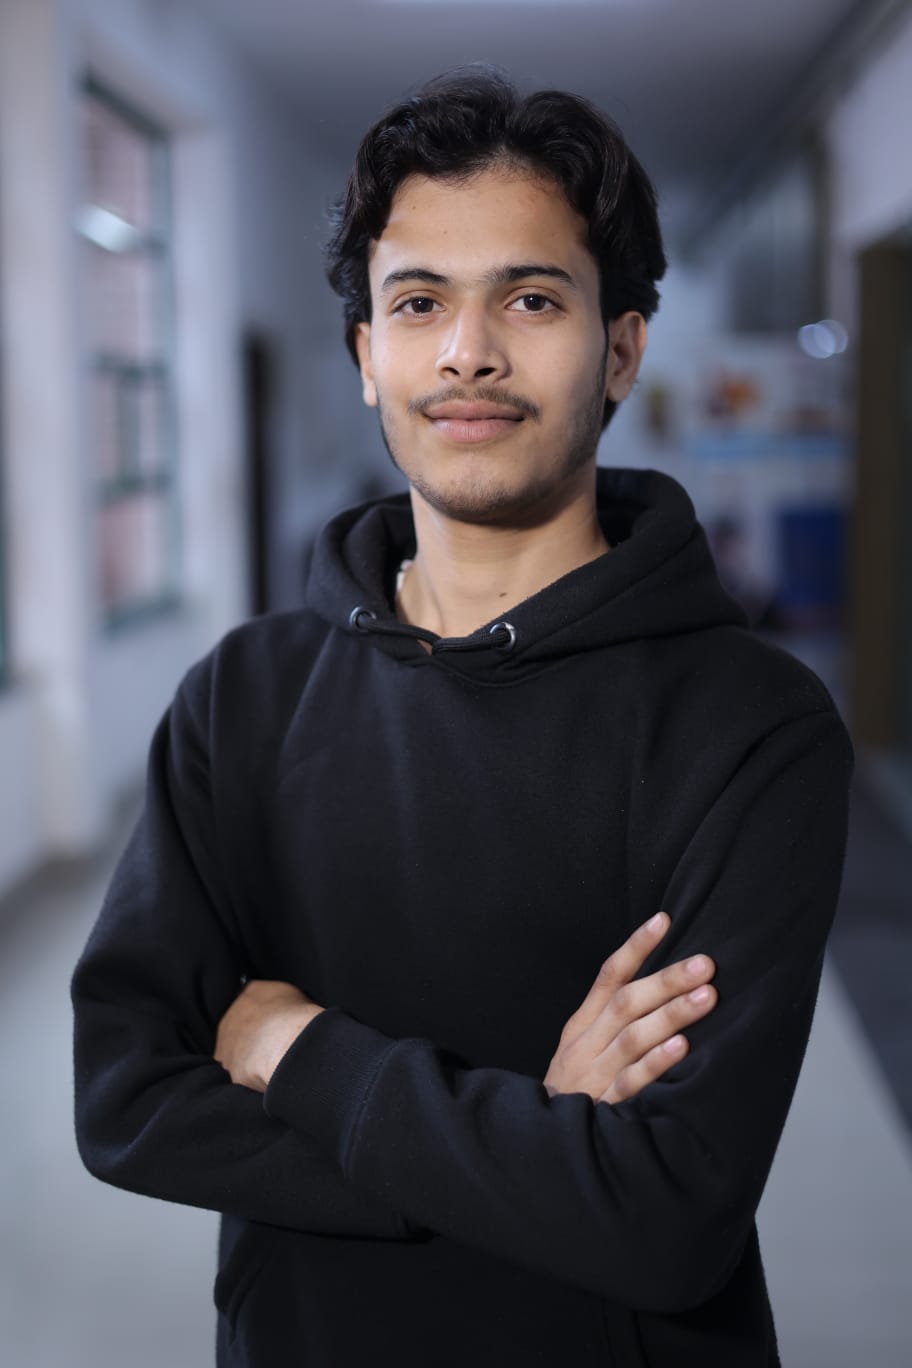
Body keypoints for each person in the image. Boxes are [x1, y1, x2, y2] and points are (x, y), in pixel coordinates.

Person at [71, 68, 852, 1367]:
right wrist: (537, 1132)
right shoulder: (240, 697)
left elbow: (667, 1218)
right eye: (418, 301)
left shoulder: (752, 726)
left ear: (620, 347)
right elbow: (127, 1100)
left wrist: (299, 1052)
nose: (466, 352)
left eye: (530, 298)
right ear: (365, 355)